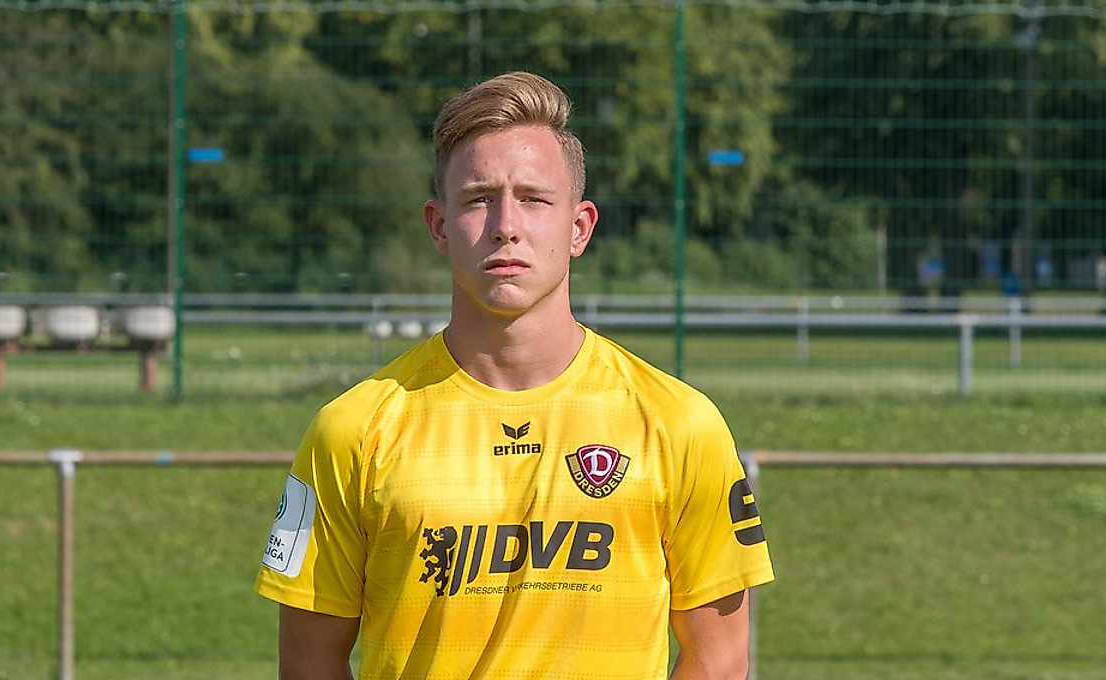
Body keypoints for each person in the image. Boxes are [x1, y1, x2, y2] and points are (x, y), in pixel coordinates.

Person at [255, 70, 774, 679]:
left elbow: (719, 658)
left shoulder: (681, 424)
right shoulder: (350, 430)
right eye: (479, 198)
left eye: (533, 198)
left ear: (578, 227)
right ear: (439, 226)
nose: (506, 224)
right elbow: (308, 662)